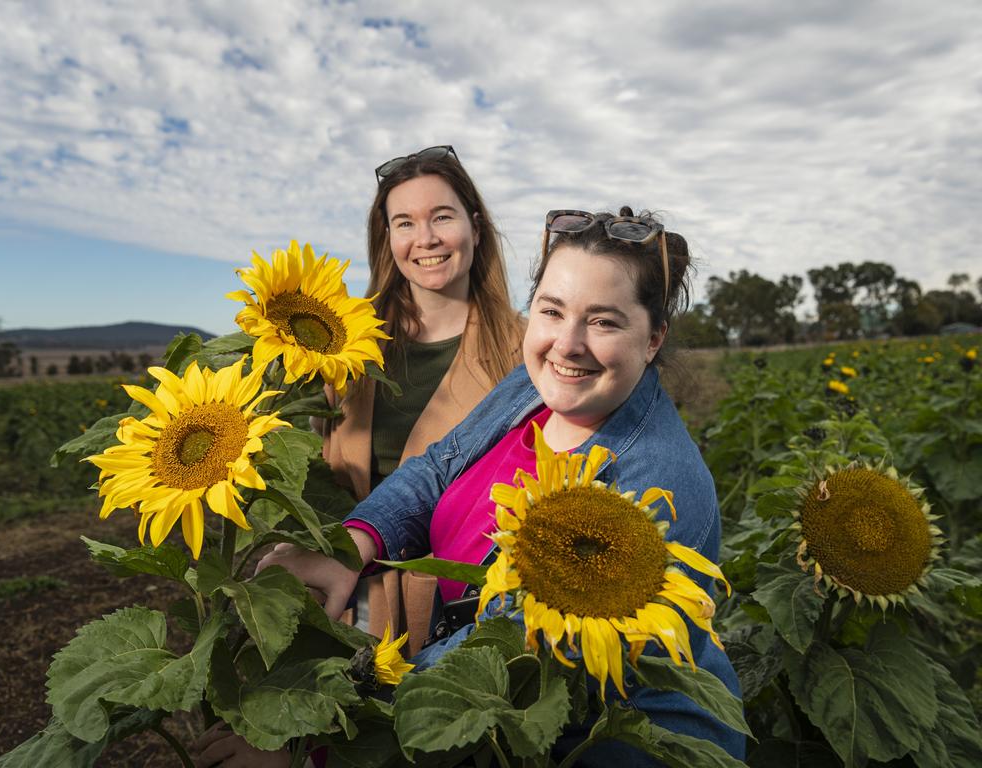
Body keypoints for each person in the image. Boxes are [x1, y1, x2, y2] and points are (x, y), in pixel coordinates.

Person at [258, 207, 746, 765]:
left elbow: (510, 646)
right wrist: (353, 545)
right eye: (552, 310)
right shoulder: (531, 389)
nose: (567, 344)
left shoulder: (655, 488)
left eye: (604, 321)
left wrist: (311, 744)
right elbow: (440, 465)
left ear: (654, 337)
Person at [193, 146, 524, 767]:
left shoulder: (527, 350)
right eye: (404, 223)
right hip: (335, 599)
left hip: (461, 622)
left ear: (476, 227)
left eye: (442, 217)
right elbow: (305, 488)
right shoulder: (341, 341)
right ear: (386, 239)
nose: (425, 239)